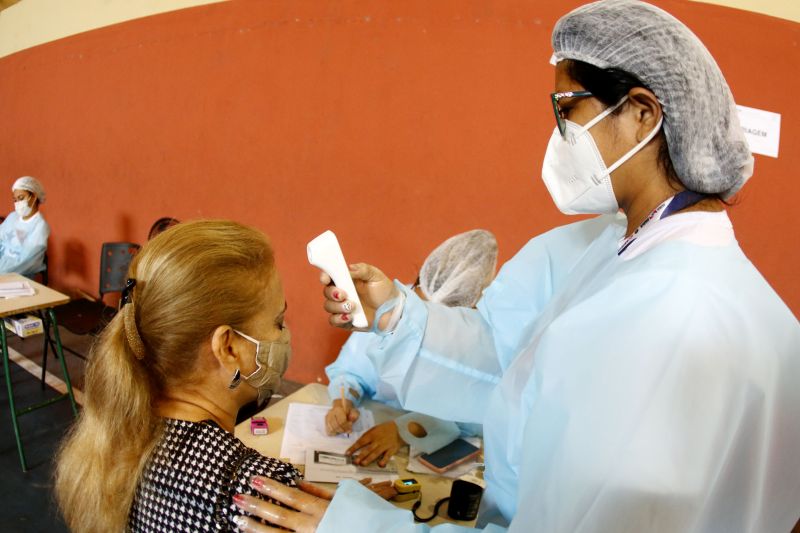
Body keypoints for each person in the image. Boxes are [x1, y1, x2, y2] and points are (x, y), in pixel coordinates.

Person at [232, 1, 800, 532]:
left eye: (566, 108)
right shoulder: (612, 247)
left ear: (642, 114)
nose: (558, 135)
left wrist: (359, 525)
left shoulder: (669, 320)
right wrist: (394, 313)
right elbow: (506, 359)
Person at [54, 220, 300, 532]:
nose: (285, 334)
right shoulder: (261, 497)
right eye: (278, 321)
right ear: (229, 348)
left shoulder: (118, 437)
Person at [324, 229, 497, 466]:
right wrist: (343, 400)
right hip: (368, 425)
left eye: (441, 320)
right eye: (422, 307)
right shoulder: (392, 311)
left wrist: (403, 430)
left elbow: (478, 414)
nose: (425, 328)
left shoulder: (481, 338)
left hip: (425, 448)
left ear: (471, 311)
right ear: (417, 284)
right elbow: (352, 371)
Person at [0, 176, 50, 276]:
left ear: (34, 197)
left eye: (21, 198)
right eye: (15, 200)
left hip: (17, 277)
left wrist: (1, 271)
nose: (18, 203)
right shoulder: (12, 217)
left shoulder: (40, 227)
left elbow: (25, 263)